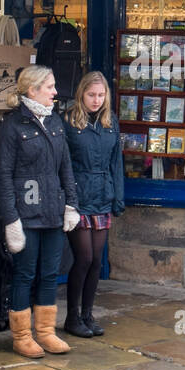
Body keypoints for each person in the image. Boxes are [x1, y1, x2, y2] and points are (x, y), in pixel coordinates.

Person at [0, 65, 81, 358]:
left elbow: (66, 168)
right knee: (25, 275)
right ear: (32, 90)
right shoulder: (12, 126)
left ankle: (46, 332)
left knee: (49, 274)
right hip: (26, 215)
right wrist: (11, 220)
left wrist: (72, 204)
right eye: (50, 87)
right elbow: (3, 176)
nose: (56, 92)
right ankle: (21, 336)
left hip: (53, 213)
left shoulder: (55, 122)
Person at [61, 71, 124, 338]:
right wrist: (67, 198)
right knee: (83, 257)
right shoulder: (69, 120)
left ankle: (88, 313)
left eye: (100, 95)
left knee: (97, 259)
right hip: (78, 196)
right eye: (91, 95)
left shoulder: (111, 122)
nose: (96, 100)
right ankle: (72, 316)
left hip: (102, 195)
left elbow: (116, 163)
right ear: (81, 94)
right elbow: (63, 163)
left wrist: (118, 196)